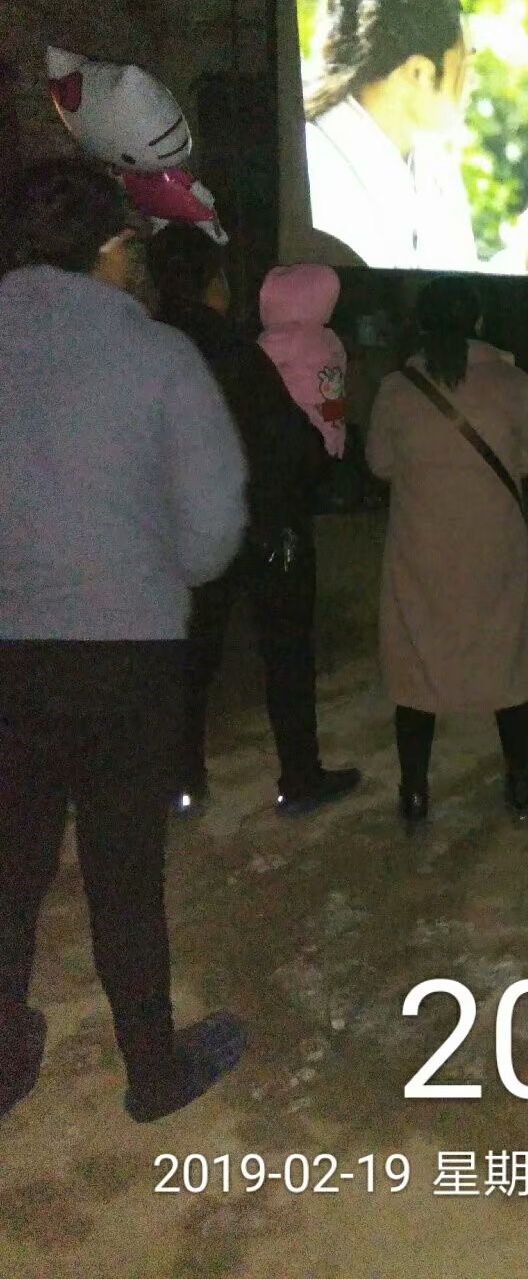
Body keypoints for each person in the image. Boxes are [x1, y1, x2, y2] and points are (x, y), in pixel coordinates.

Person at [0, 160, 248, 1122]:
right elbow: (213, 532)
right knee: (124, 872)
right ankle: (152, 1068)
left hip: (6, 652)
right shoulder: (157, 357)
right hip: (125, 652)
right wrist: (149, 566)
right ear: (110, 248)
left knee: (9, 868)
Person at [148, 225, 362, 816]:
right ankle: (299, 777)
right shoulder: (238, 352)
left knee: (193, 658)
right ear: (212, 283)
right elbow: (290, 443)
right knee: (286, 653)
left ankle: (182, 780)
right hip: (264, 527)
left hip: (179, 532)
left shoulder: (147, 348)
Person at [366, 277, 528, 825]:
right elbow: (525, 462)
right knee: (508, 665)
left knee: (417, 671)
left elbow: (379, 463)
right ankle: (519, 784)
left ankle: (414, 793)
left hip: (421, 551)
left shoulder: (397, 389)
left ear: (421, 325)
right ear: (479, 321)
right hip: (495, 550)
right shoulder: (515, 383)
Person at [303, 0, 528, 275]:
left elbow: (453, 284)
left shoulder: (433, 160)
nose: (471, 79)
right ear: (419, 73)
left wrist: (527, 263)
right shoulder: (312, 163)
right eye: (466, 62)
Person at [259, 263, 348, 458]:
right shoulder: (330, 339)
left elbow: (253, 361)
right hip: (332, 430)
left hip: (298, 433)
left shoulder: (286, 337)